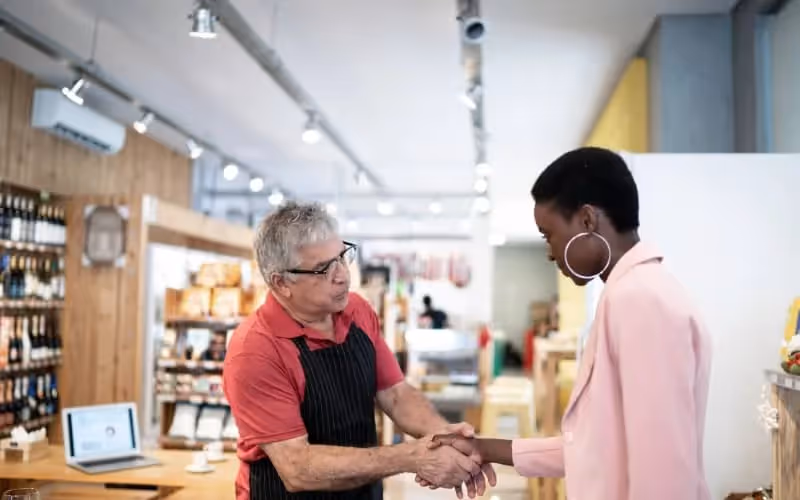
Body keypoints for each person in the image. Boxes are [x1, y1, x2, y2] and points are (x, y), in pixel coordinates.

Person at [422, 147, 712, 500]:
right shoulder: (632, 292)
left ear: (587, 221)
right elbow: (595, 448)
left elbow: (664, 475)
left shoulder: (640, 300)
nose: (549, 252)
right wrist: (484, 448)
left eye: (549, 235)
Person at [223, 202, 495, 500]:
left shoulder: (357, 311)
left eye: (342, 256)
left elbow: (395, 394)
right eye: (323, 269)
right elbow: (297, 467)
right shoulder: (256, 351)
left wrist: (449, 438)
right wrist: (412, 456)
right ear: (282, 282)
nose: (342, 275)